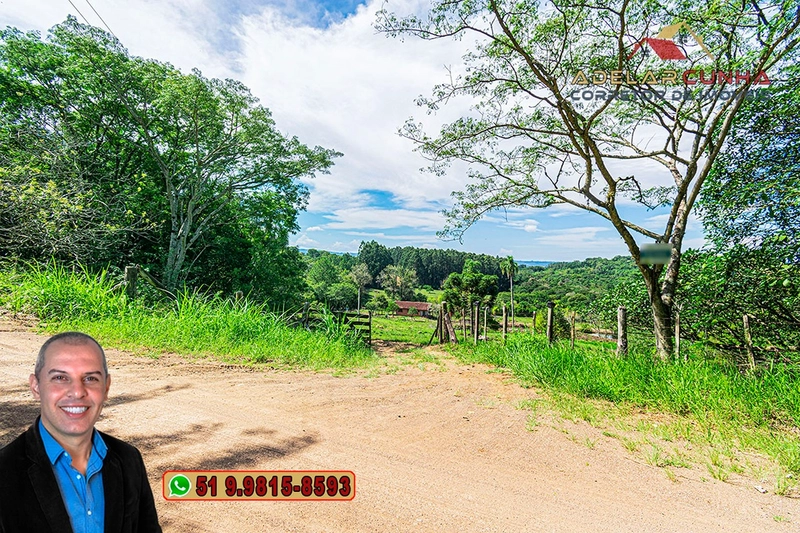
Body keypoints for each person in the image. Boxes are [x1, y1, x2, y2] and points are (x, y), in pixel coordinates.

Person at [0, 331, 162, 533]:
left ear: (106, 388)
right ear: (36, 387)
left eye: (91, 378)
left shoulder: (129, 459)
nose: (77, 392)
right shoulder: (4, 471)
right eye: (60, 377)